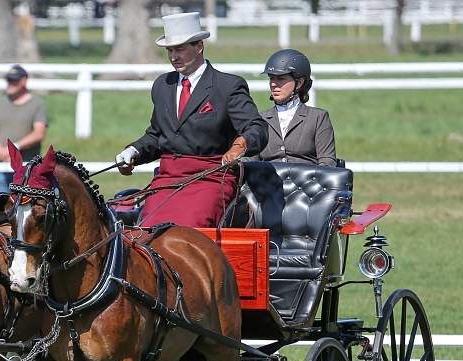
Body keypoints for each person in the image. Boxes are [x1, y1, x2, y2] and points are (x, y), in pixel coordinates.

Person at [115, 12, 267, 228]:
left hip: (211, 178)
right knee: (147, 231)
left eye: (180, 49)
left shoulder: (228, 86)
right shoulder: (162, 85)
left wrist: (238, 146)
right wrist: (133, 151)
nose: (173, 57)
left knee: (188, 232)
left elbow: (256, 127)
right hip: (168, 178)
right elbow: (157, 135)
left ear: (199, 46)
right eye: (170, 50)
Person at [254, 49, 336, 166]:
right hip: (267, 184)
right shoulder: (259, 120)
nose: (273, 84)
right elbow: (250, 164)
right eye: (271, 78)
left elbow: (327, 162)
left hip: (308, 183)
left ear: (299, 83)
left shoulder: (318, 118)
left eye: (281, 78)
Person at [0, 65, 49, 195]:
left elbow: (39, 133)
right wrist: (2, 152)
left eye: (13, 80)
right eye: (8, 80)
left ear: (24, 81)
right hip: (2, 166)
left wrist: (13, 149)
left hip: (28, 167)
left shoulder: (38, 104)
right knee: (0, 209)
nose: (9, 84)